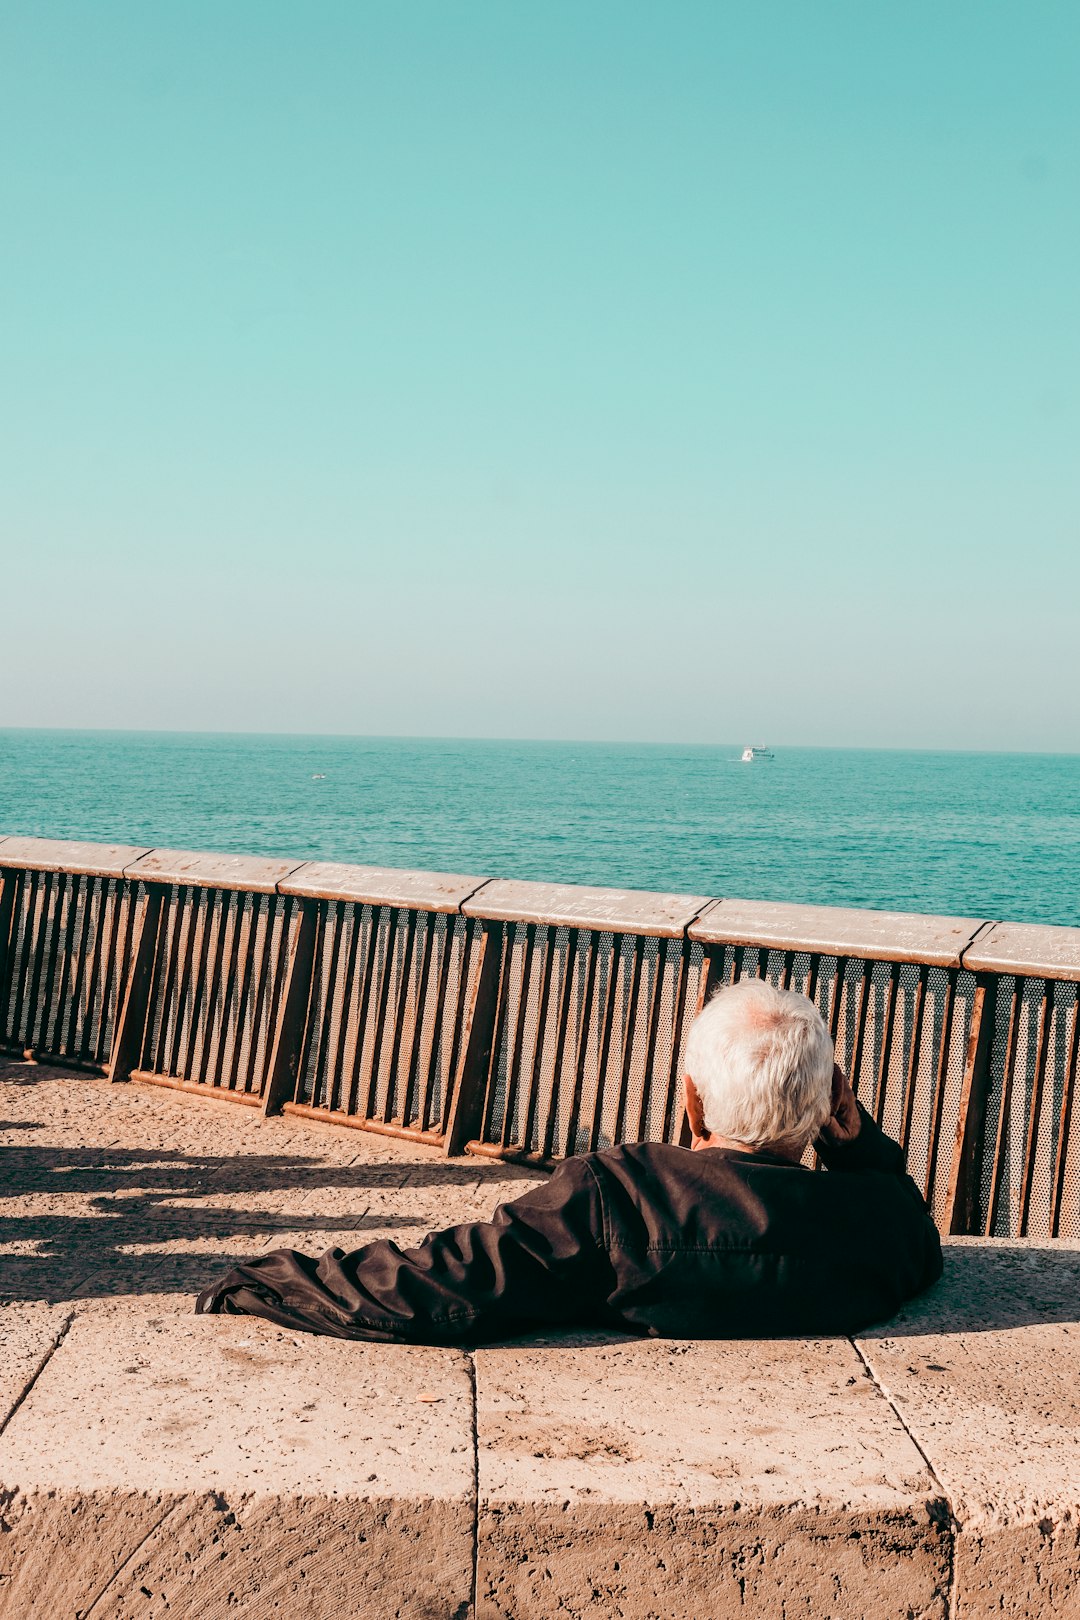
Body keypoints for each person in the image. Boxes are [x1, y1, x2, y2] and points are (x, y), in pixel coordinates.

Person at [196, 979, 942, 1340]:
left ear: (691, 1100)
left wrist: (263, 1280)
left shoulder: (618, 1195)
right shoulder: (881, 1219)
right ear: (833, 1103)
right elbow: (915, 1237)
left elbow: (439, 1287)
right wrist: (860, 1150)